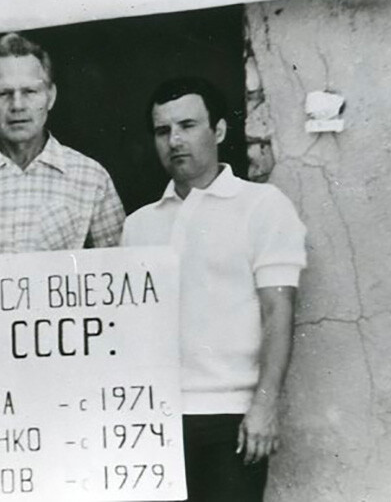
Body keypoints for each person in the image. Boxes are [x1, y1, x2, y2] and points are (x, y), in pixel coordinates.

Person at [121, 77, 307, 502]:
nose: (175, 141)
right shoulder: (139, 225)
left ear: (219, 131)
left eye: (187, 125)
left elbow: (277, 312)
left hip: (232, 416)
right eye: (163, 131)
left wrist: (264, 404)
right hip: (157, 419)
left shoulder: (262, 206)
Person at [0, 32, 125, 257]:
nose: (17, 105)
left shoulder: (92, 178)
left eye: (29, 91)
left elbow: (117, 271)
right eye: (3, 93)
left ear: (50, 96)